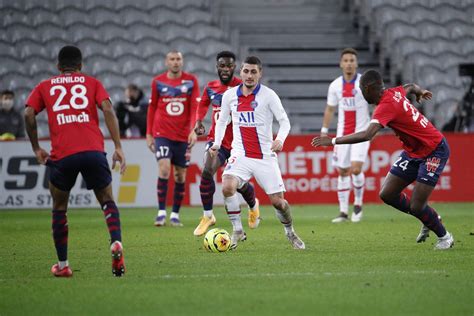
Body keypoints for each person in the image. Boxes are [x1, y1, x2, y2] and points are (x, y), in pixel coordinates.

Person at [312, 69, 454, 250]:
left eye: (362, 90)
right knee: (387, 194)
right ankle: (428, 218)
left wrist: (332, 141)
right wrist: (420, 91)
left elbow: (367, 134)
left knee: (418, 206)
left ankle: (445, 237)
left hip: (434, 150)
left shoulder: (385, 106)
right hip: (413, 152)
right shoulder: (393, 92)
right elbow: (409, 87)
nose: (361, 94)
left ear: (369, 88)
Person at [24, 45, 127, 277]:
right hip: (93, 151)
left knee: (59, 207)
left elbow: (28, 113)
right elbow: (108, 109)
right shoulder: (92, 83)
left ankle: (62, 266)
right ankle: (116, 242)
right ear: (81, 66)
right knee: (107, 200)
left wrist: (35, 147)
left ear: (58, 66)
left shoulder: (44, 86)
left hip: (63, 155)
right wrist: (118, 147)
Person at [210, 56, 305, 250]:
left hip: (264, 156)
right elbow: (222, 122)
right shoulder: (230, 96)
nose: (249, 75)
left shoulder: (269, 96)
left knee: (279, 203)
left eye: (254, 72)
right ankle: (237, 230)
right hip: (241, 154)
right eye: (246, 71)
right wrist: (217, 143)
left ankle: (290, 232)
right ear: (240, 72)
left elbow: (284, 121)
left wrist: (279, 140)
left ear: (260, 74)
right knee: (227, 186)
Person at [193, 51, 260, 236]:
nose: (225, 69)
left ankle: (253, 205)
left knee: (237, 185)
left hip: (239, 144)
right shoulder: (210, 87)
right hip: (218, 142)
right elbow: (202, 104)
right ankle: (208, 216)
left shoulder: (242, 86)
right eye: (222, 66)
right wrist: (198, 122)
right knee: (207, 171)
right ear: (217, 67)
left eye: (229, 66)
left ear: (234, 68)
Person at [146, 50, 200, 227]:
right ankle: (161, 212)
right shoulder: (158, 82)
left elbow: (194, 108)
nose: (175, 62)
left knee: (180, 175)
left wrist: (193, 130)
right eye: (172, 59)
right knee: (164, 168)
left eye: (178, 59)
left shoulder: (191, 81)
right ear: (166, 62)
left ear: (182, 62)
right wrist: (149, 133)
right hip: (162, 134)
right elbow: (152, 107)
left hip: (183, 136)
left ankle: (175, 214)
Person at [321, 48, 370, 223]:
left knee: (356, 169)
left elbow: (378, 102)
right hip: (343, 135)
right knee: (342, 171)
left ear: (356, 63)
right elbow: (330, 109)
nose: (349, 63)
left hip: (362, 133)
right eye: (346, 60)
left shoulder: (365, 82)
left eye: (352, 60)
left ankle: (357, 204)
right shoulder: (335, 85)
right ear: (341, 63)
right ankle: (343, 212)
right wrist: (324, 131)